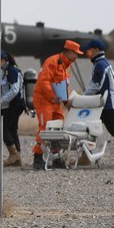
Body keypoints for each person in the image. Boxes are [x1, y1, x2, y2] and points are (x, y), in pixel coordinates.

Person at [31, 39, 82, 170]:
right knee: (45, 127)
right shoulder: (52, 62)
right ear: (69, 52)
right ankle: (38, 158)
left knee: (59, 127)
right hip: (44, 100)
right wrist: (52, 96)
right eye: (75, 53)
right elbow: (43, 82)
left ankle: (56, 158)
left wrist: (66, 102)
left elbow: (63, 86)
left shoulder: (66, 67)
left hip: (55, 102)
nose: (76, 56)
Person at [0, 50, 25, 167]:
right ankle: (17, 158)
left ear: (2, 61)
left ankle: (14, 154)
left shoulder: (12, 71)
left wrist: (2, 101)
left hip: (15, 104)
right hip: (9, 104)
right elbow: (0, 89)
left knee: (2, 128)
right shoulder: (4, 72)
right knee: (12, 128)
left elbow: (14, 90)